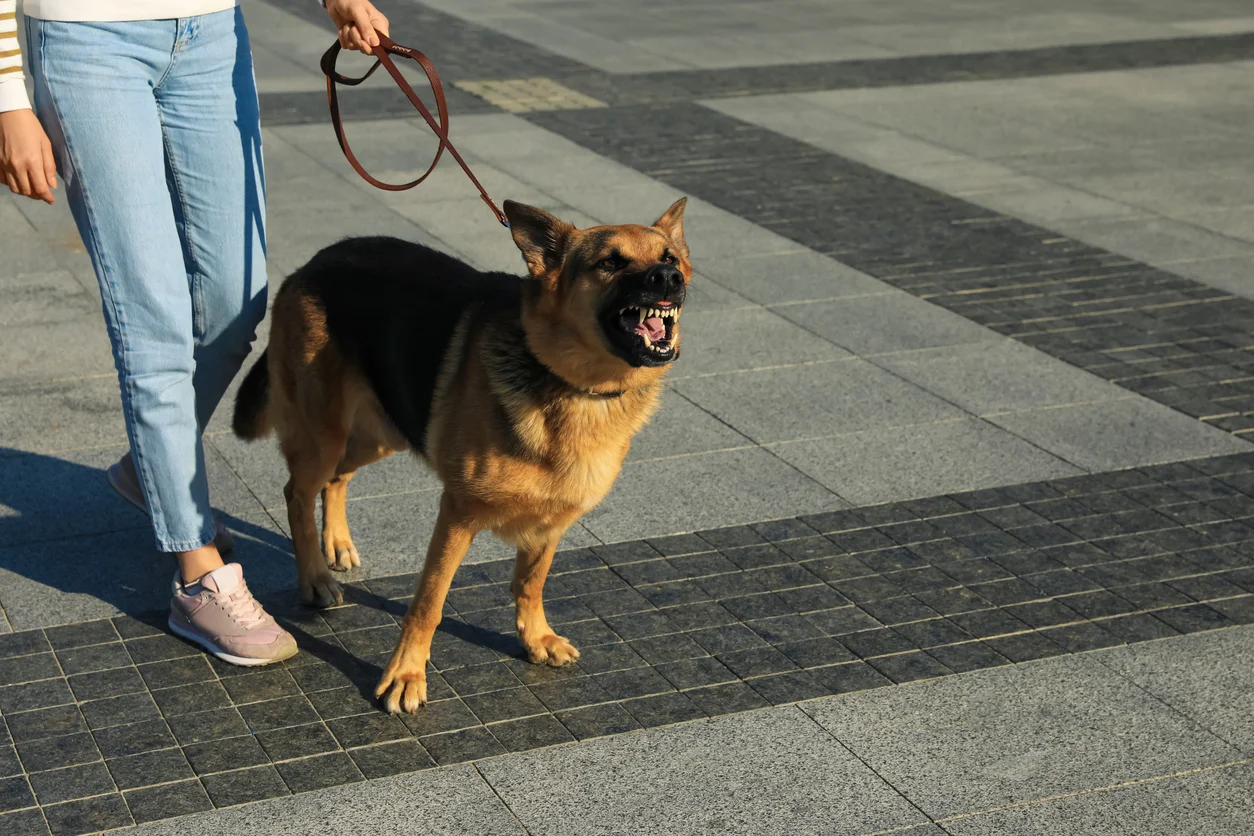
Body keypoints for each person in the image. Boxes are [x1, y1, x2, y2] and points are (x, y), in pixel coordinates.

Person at [0, 0, 389, 665]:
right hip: (85, 39)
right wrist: (8, 97)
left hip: (209, 33)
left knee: (236, 301)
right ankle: (197, 574)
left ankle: (145, 469)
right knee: (150, 315)